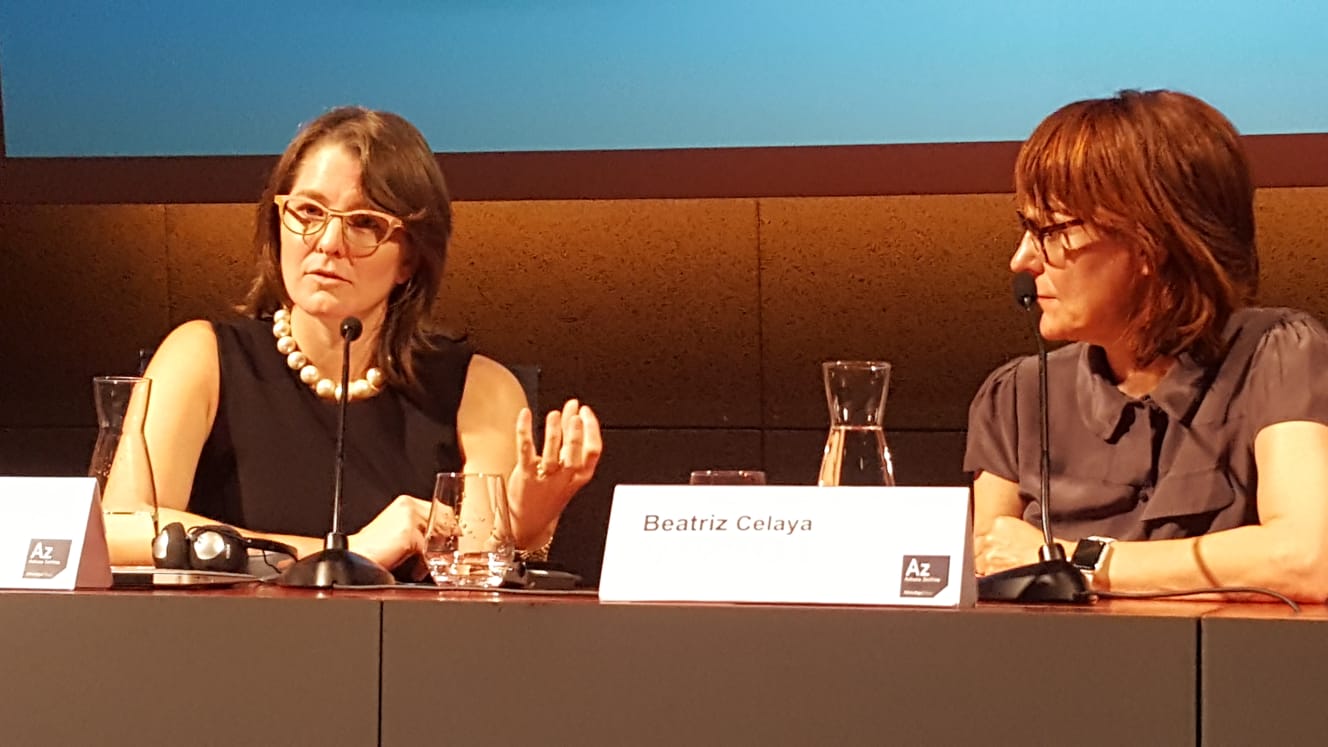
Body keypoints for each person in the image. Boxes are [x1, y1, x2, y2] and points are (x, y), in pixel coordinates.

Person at [103, 106, 601, 574]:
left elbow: (474, 563)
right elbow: (118, 528)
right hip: (221, 634)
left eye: (365, 224)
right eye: (308, 211)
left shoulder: (478, 388)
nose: (327, 243)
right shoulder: (201, 356)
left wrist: (525, 522)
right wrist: (344, 554)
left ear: (410, 258)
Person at [965, 89, 1328, 602]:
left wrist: (1075, 562)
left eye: (1049, 230)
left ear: (1149, 243)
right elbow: (988, 568)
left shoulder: (1279, 355)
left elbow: (1308, 559)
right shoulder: (1017, 395)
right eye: (1026, 228)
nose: (1022, 260)